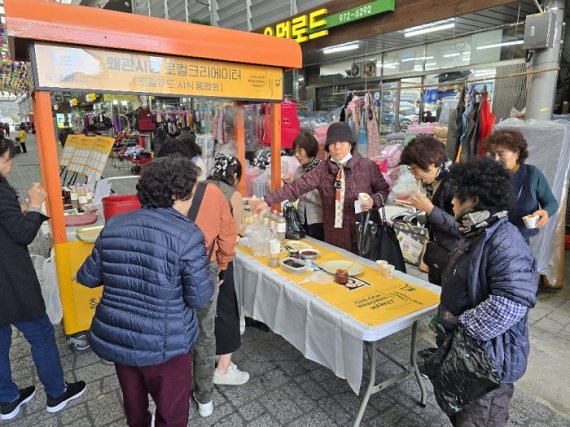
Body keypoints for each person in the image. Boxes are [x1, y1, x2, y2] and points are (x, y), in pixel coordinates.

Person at [76, 157, 214, 426]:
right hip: (166, 344)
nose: (192, 200)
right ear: (177, 194)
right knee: (172, 415)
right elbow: (199, 297)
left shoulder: (115, 225)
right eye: (191, 193)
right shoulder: (188, 235)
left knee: (135, 409)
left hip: (121, 340)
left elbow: (89, 277)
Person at [436, 157, 537, 425]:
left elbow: (512, 302)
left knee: (479, 418)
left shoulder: (505, 241)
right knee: (463, 414)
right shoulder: (477, 231)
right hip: (472, 355)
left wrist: (462, 326)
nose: (452, 201)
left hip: (489, 362)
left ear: (475, 200)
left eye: (457, 195)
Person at [0, 139, 86, 421]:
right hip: (10, 281)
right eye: (8, 159)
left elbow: (7, 223)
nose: (11, 164)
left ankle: (7, 399)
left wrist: (21, 210)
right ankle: (56, 393)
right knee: (41, 334)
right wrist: (36, 206)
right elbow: (23, 235)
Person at [156, 140, 239, 418]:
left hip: (167, 271)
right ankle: (205, 400)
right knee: (205, 332)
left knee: (170, 333)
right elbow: (228, 235)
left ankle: (168, 400)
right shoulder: (212, 193)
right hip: (206, 268)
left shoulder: (156, 196)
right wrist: (223, 266)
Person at [254, 122, 390, 253]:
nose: (337, 147)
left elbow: (383, 190)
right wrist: (268, 201)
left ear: (350, 144)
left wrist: (373, 200)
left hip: (364, 233)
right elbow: (296, 186)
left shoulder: (367, 166)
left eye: (342, 142)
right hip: (333, 235)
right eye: (332, 143)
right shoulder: (323, 169)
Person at [207, 153, 250, 388]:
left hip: (196, 257)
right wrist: (224, 266)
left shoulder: (200, 187)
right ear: (234, 175)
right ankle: (223, 369)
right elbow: (236, 230)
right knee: (227, 309)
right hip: (218, 258)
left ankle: (209, 353)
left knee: (207, 309)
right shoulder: (232, 194)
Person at [399, 136, 459, 285]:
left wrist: (430, 210)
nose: (413, 174)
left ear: (432, 163)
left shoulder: (457, 182)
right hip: (439, 252)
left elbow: (463, 228)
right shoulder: (433, 180)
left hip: (455, 258)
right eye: (410, 168)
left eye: (414, 168)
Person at [484, 129, 558, 243]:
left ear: (517, 153)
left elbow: (551, 202)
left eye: (501, 154)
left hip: (519, 243)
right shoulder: (487, 175)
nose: (496, 159)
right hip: (489, 240)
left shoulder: (532, 175)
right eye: (493, 155)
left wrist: (545, 212)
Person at [282, 132, 324, 241]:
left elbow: (324, 199)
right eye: (295, 151)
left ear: (310, 149)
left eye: (300, 150)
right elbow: (293, 199)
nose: (296, 154)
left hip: (318, 222)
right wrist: (289, 185)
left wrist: (301, 189)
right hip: (301, 221)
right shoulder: (299, 170)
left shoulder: (322, 170)